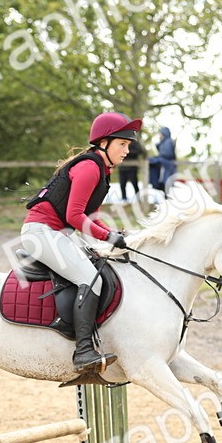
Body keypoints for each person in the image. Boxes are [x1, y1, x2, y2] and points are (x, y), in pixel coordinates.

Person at [22, 111, 140, 375]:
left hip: (57, 232)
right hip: (41, 232)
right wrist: (108, 236)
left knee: (100, 265)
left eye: (128, 145)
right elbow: (74, 216)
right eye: (122, 144)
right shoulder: (89, 168)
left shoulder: (102, 171)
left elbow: (92, 218)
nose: (127, 151)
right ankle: (83, 351)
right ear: (104, 143)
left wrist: (114, 235)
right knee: (92, 278)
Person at [117, 134, 144, 202]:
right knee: (122, 184)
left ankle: (138, 199)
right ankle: (124, 199)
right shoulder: (121, 141)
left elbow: (140, 151)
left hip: (132, 168)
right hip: (122, 167)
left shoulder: (135, 142)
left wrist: (127, 152)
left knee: (135, 184)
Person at [148, 126, 177, 192]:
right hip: (166, 166)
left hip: (167, 166)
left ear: (164, 134)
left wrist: (156, 159)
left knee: (166, 185)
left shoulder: (168, 142)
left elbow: (167, 154)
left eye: (160, 134)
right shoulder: (163, 142)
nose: (159, 136)